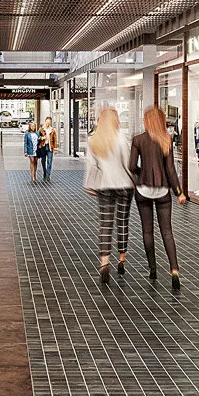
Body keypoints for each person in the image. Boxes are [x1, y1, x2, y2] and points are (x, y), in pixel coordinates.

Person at [130, 106, 187, 290]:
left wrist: (142, 173)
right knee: (167, 231)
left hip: (143, 190)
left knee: (147, 231)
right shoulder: (166, 139)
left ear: (146, 121)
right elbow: (170, 170)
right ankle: (174, 270)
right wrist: (179, 192)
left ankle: (153, 269)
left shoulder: (138, 139)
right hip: (163, 191)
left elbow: (132, 167)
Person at [84, 108, 134, 284]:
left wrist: (89, 184)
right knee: (122, 221)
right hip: (124, 185)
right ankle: (121, 259)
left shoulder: (93, 139)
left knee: (105, 224)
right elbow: (128, 163)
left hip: (104, 185)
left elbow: (91, 165)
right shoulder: (121, 138)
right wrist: (133, 179)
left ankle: (104, 263)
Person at [40, 116, 58, 181]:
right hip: (43, 146)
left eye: (49, 121)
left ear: (50, 122)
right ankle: (44, 172)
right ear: (45, 121)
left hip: (50, 147)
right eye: (47, 121)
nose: (48, 123)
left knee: (49, 161)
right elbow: (38, 137)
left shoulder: (52, 130)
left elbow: (55, 140)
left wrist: (55, 149)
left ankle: (48, 175)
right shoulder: (41, 129)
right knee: (43, 161)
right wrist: (42, 138)